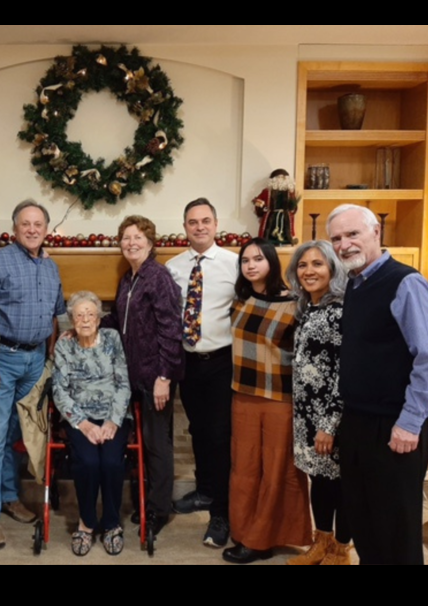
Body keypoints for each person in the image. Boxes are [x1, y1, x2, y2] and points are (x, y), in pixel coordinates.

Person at [327, 204, 428, 565]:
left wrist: (410, 423)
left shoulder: (405, 282)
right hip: (358, 423)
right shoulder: (355, 283)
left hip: (395, 427)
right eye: (337, 238)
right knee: (365, 524)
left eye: (353, 234)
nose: (345, 244)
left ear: (376, 233)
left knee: (395, 530)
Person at [0, 199, 67, 550]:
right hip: (3, 358)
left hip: (36, 361)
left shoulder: (51, 266)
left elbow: (56, 314)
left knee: (19, 435)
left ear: (45, 229)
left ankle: (9, 496)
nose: (32, 230)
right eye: (25, 224)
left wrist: (51, 356)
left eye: (38, 225)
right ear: (14, 228)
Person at [222, 237, 312, 564]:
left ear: (271, 262)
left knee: (277, 469)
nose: (250, 265)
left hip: (279, 397)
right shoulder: (240, 301)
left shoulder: (295, 302)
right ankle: (244, 531)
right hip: (243, 395)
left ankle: (263, 540)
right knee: (244, 467)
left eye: (258, 259)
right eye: (245, 260)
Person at [101, 215, 183, 535]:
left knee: (156, 443)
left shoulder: (158, 277)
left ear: (150, 243)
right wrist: (88, 325)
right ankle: (143, 501)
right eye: (126, 238)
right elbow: (120, 321)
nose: (131, 243)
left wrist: (164, 376)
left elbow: (171, 329)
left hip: (155, 376)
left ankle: (159, 510)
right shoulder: (129, 278)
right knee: (137, 442)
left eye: (138, 237)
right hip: (131, 374)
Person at [166, 197, 239, 548]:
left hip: (222, 362)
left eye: (205, 221)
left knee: (220, 438)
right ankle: (205, 491)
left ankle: (221, 514)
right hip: (188, 363)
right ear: (185, 227)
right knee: (197, 431)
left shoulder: (235, 263)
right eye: (193, 222)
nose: (199, 227)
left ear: (215, 224)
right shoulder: (173, 266)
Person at [284, 240, 352, 565]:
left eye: (317, 264)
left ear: (332, 269)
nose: (309, 271)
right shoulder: (307, 308)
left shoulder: (339, 311)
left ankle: (340, 549)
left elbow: (344, 372)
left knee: (340, 484)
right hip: (306, 416)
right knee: (321, 481)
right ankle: (321, 543)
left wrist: (329, 425)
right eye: (303, 265)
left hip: (331, 418)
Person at [53, 291, 132, 556]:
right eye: (79, 315)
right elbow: (59, 391)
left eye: (90, 314)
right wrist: (83, 424)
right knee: (87, 462)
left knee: (110, 461)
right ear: (71, 320)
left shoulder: (112, 339)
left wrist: (113, 420)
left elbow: (123, 383)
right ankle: (86, 523)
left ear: (99, 319)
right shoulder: (64, 345)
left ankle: (111, 523)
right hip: (79, 419)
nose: (85, 319)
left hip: (114, 416)